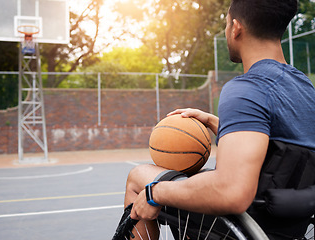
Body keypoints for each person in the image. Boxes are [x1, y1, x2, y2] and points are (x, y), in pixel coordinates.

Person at [122, 0, 315, 239]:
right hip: (289, 223)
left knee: (139, 178)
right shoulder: (305, 87)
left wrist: (154, 193)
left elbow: (232, 192)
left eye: (225, 24)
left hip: (243, 226)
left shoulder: (246, 88)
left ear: (236, 28)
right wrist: (216, 122)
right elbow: (284, 148)